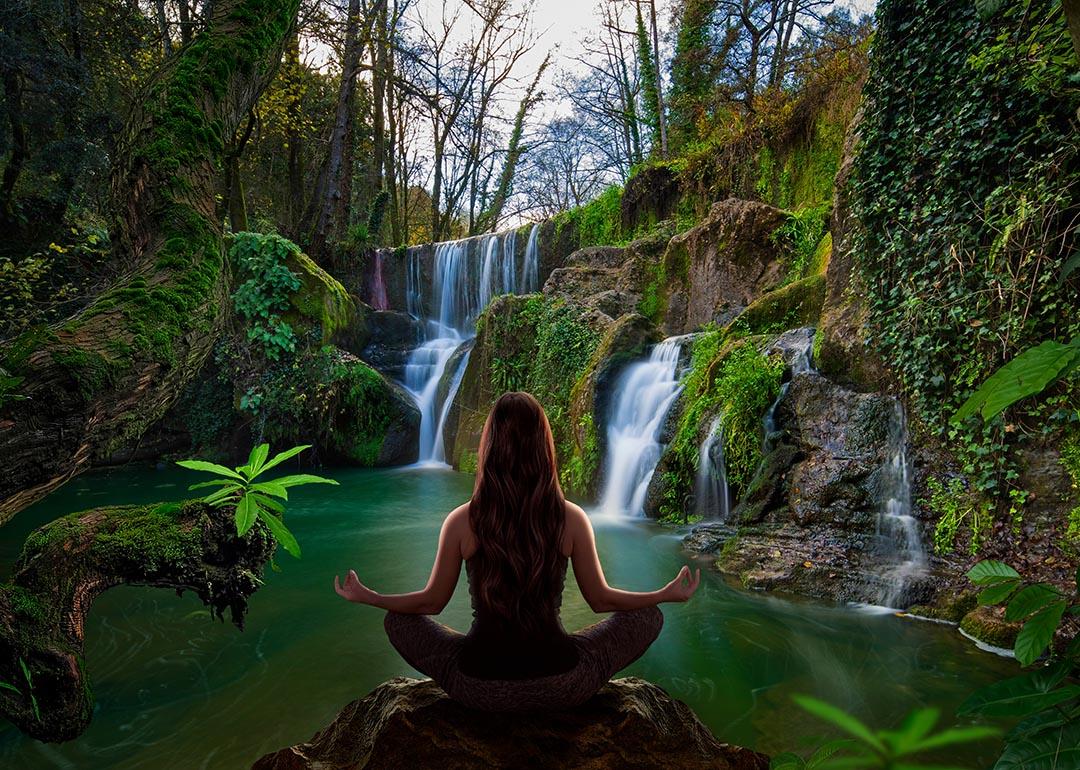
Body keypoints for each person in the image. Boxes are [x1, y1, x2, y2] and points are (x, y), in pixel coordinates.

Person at [334, 391, 700, 712]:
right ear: (543, 445)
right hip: (562, 684)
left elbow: (430, 603)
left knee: (397, 620)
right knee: (647, 616)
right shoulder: (570, 518)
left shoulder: (462, 521)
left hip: (477, 688)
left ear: (489, 446)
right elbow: (601, 600)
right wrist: (663, 594)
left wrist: (371, 597)